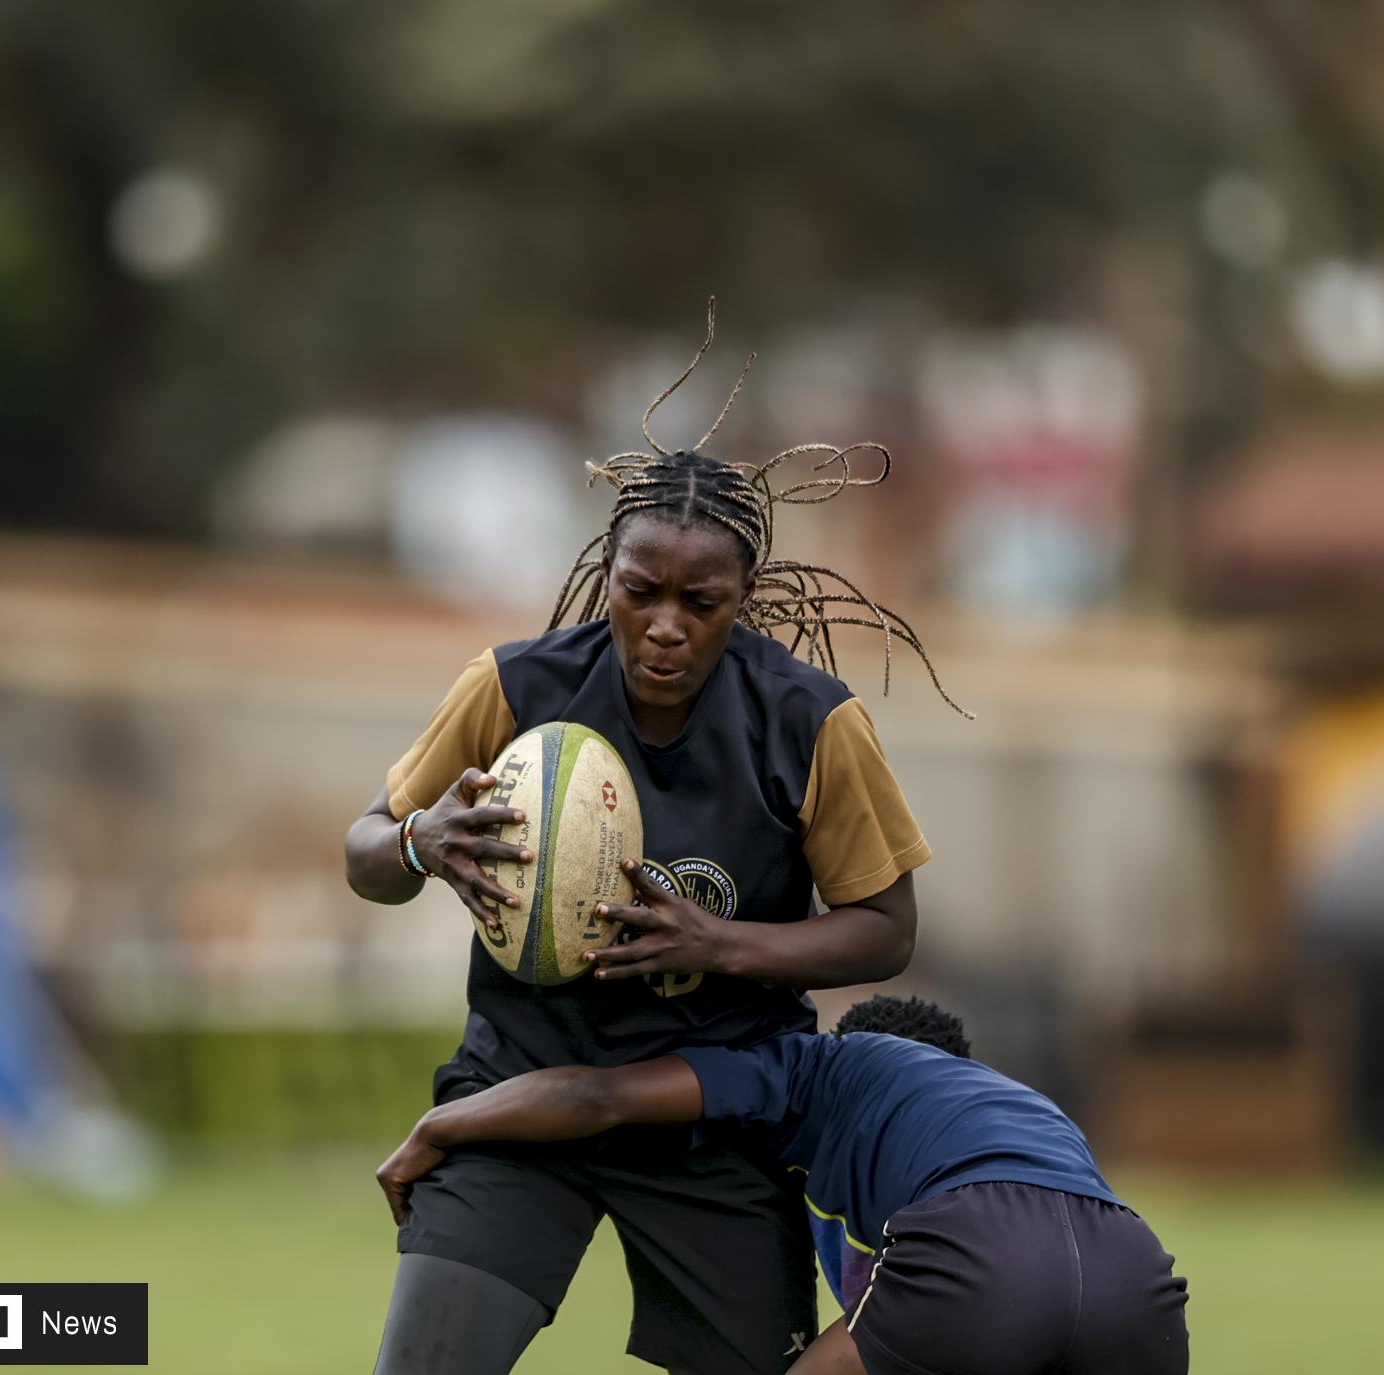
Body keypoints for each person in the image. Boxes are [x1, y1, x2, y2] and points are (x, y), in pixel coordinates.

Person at [345, 305, 968, 1375]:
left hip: (711, 1114)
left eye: (701, 601)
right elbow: (364, 850)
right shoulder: (517, 687)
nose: (666, 623)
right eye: (642, 593)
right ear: (609, 574)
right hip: (519, 1095)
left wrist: (722, 946)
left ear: (744, 599)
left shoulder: (810, 723)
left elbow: (885, 929)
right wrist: (417, 843)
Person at [376, 995, 1191, 1375]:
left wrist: (443, 1123)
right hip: (1138, 1275)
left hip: (989, 1250)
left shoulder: (827, 1066)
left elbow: (600, 1094)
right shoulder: (1012, 1104)